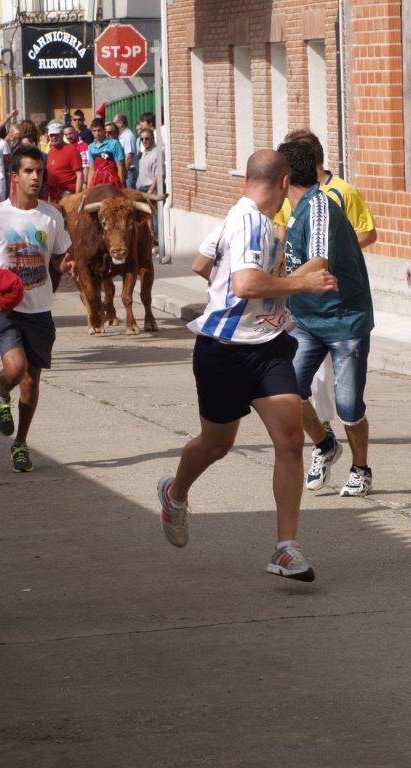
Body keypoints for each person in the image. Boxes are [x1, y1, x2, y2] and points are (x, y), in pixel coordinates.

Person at [157, 149, 337, 581]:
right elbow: (245, 283)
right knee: (216, 444)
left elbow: (203, 264)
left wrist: (268, 298)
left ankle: (285, 547)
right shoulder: (249, 221)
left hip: (268, 346)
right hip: (222, 350)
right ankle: (175, 493)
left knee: (290, 439)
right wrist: (299, 283)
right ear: (282, 184)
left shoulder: (243, 220)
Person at [0, 145, 72, 473]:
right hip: (3, 306)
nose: (35, 177)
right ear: (15, 177)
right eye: (28, 171)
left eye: (39, 171)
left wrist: (71, 265)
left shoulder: (51, 215)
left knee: (32, 382)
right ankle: (0, 389)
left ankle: (20, 444)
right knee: (16, 367)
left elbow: (62, 255)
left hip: (39, 309)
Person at [276, 140, 375, 498]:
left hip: (343, 320)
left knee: (349, 406)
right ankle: (325, 444)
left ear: (285, 177)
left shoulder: (319, 206)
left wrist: (273, 287)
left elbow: (318, 263)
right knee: (288, 391)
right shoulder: (292, 208)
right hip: (307, 319)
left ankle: (361, 470)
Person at [44, 120, 83, 201]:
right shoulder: (51, 151)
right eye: (51, 135)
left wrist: (77, 197)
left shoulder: (71, 150)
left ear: (62, 134)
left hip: (68, 194)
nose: (54, 137)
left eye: (56, 135)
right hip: (52, 193)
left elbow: (79, 174)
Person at [85, 117, 125, 188]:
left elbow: (120, 166)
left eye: (99, 130)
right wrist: (88, 188)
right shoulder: (90, 147)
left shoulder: (114, 143)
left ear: (104, 130)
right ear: (91, 131)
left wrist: (121, 186)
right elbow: (91, 169)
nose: (97, 133)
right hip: (97, 183)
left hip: (112, 182)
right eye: (94, 130)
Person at [135, 128, 160, 240]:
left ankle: (157, 241)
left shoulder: (157, 153)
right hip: (141, 189)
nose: (144, 141)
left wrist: (151, 190)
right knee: (145, 218)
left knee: (153, 217)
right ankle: (150, 240)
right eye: (142, 139)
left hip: (149, 189)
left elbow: (158, 174)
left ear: (153, 138)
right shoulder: (145, 152)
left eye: (147, 138)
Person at [113, 113, 139, 189]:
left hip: (128, 172)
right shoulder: (122, 136)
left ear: (120, 123)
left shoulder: (128, 136)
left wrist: (123, 174)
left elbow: (128, 158)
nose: (113, 125)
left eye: (115, 123)